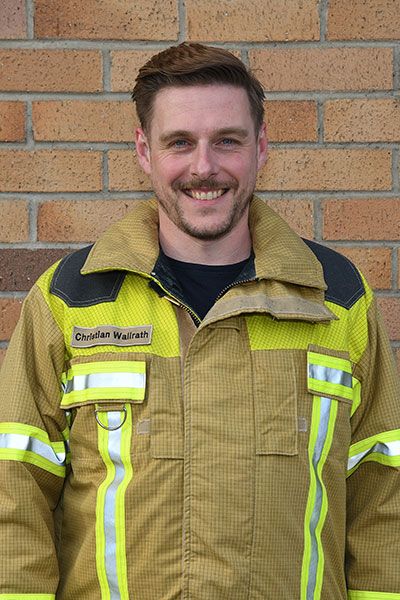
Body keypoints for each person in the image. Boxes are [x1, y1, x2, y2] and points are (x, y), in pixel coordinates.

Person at [0, 42, 399, 600]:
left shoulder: (337, 299)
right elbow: (14, 499)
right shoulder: (71, 299)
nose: (204, 167)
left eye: (227, 141)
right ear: (145, 151)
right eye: (180, 142)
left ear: (261, 148)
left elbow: (384, 503)